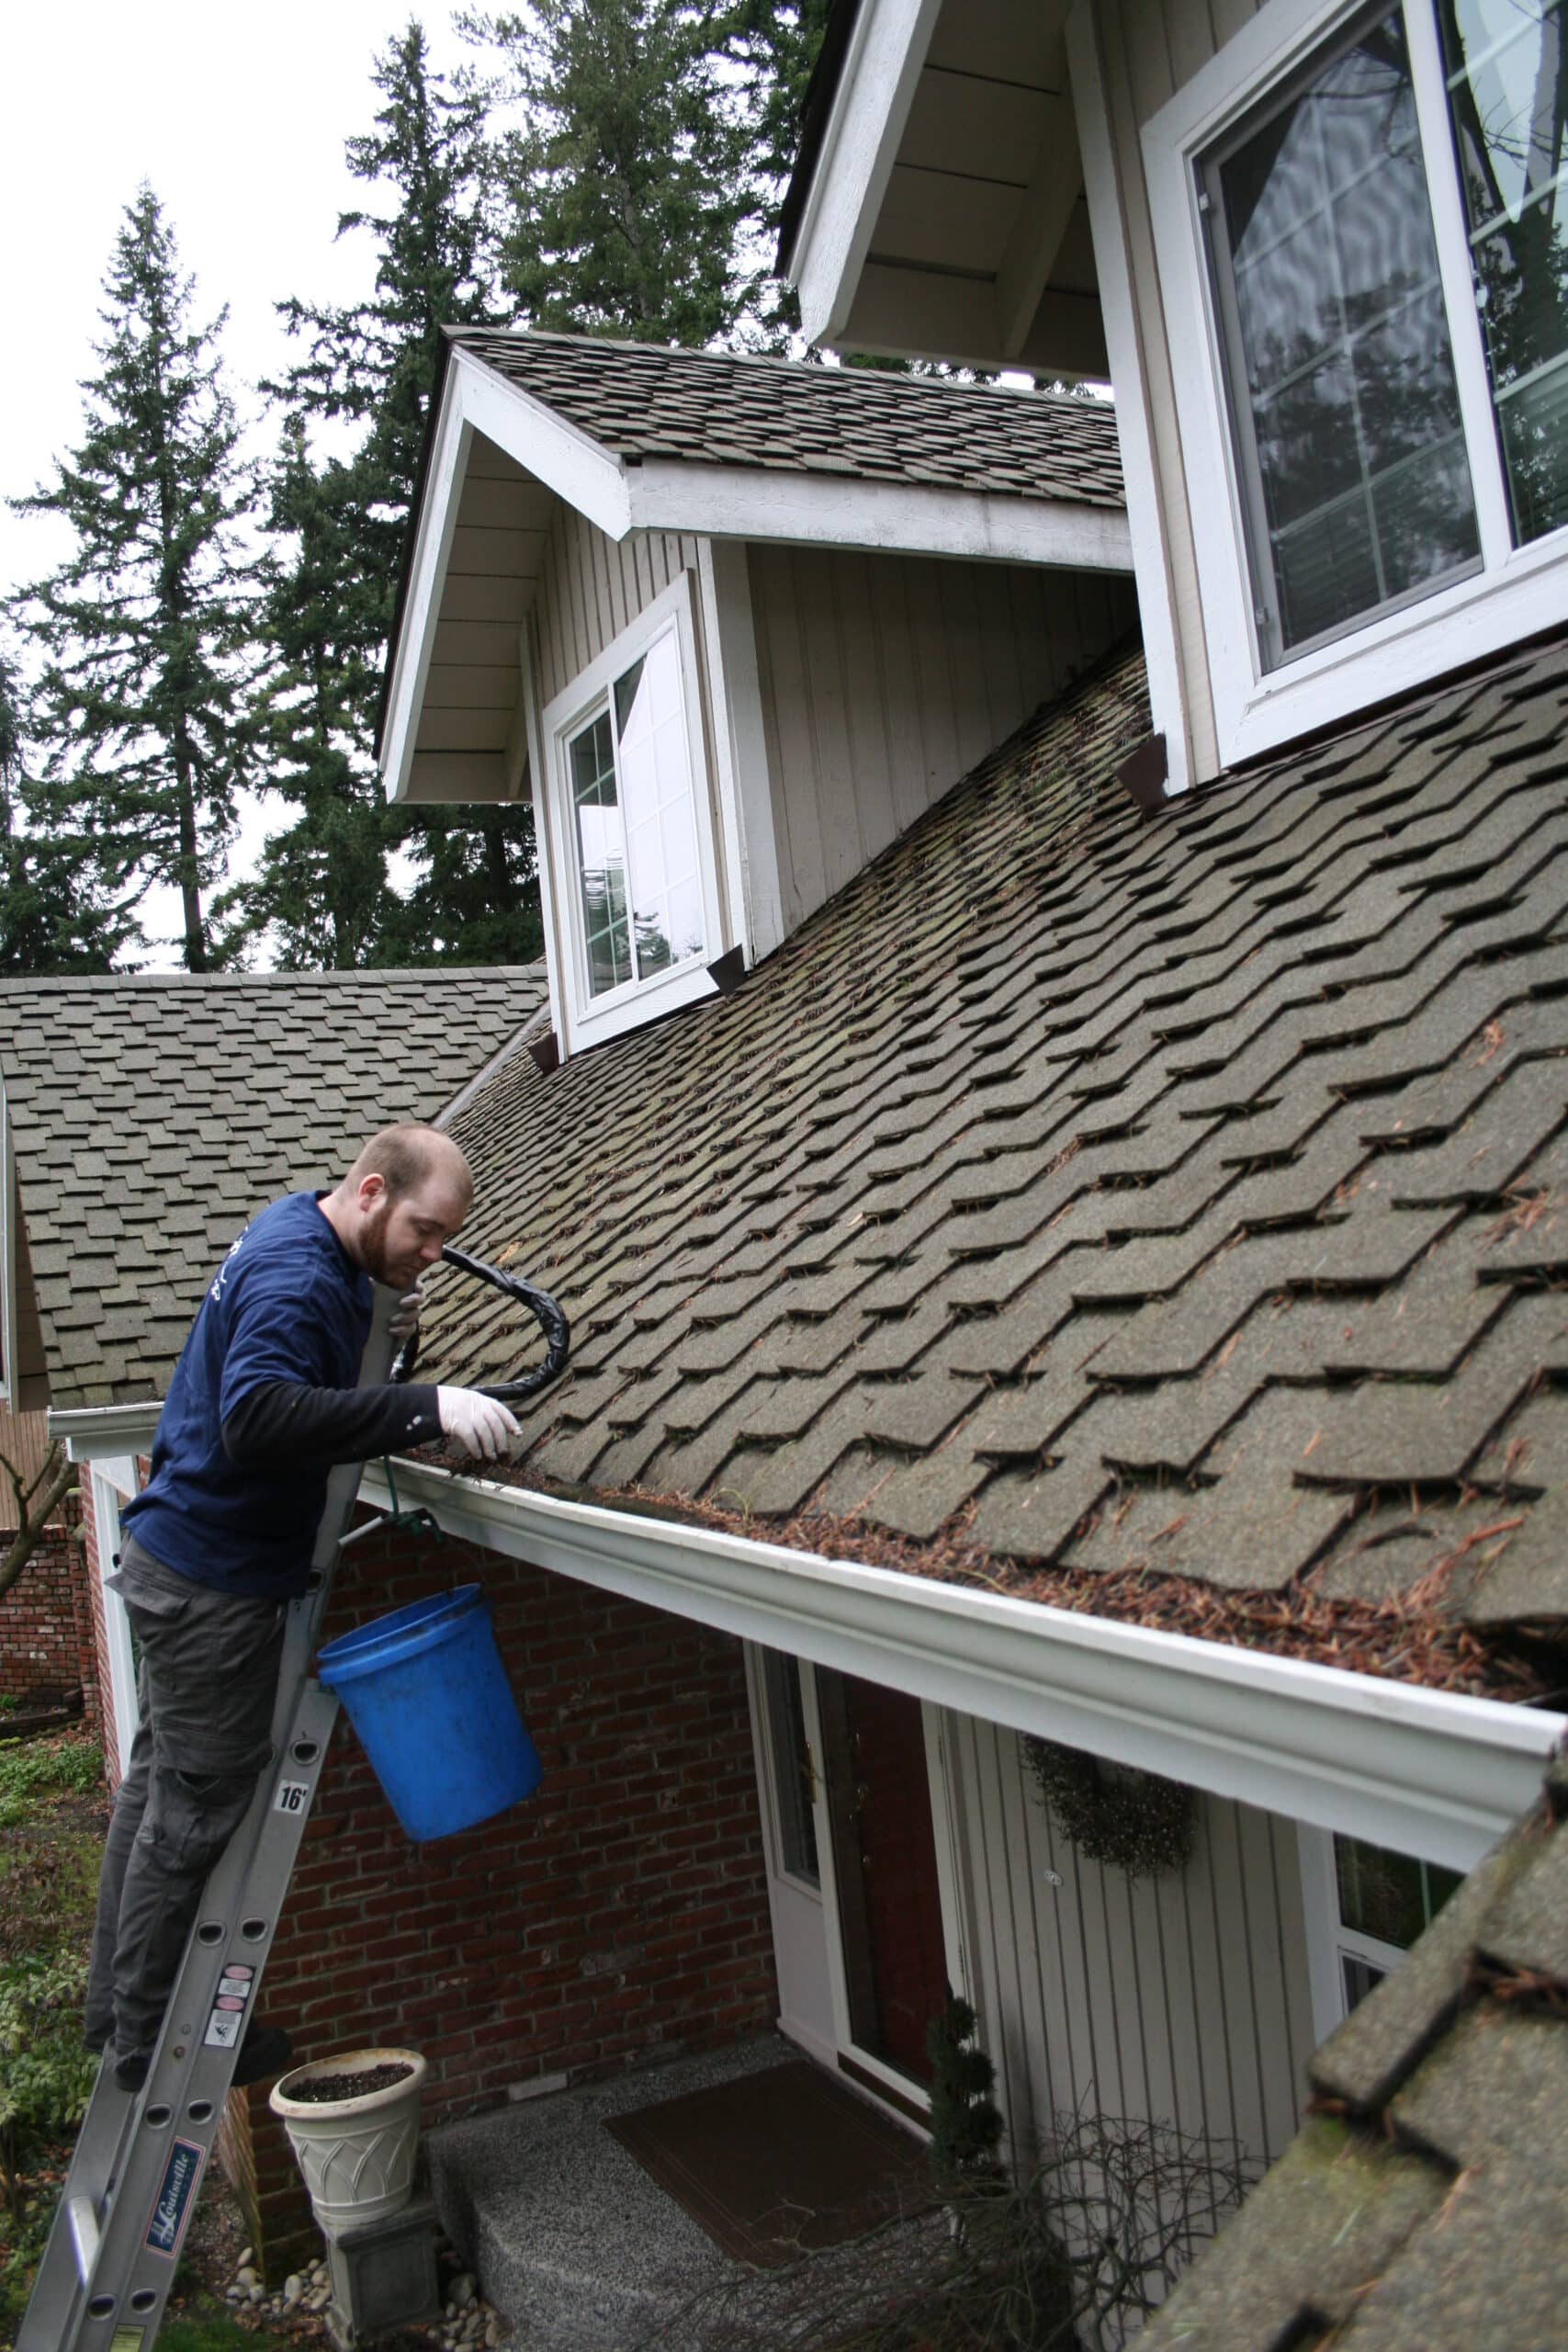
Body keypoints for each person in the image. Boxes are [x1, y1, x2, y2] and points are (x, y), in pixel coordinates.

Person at [85, 1124, 524, 2094]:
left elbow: (306, 1376)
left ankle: (115, 2015)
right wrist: (425, 1406)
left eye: (448, 1236)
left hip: (177, 1556)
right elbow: (257, 1416)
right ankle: (148, 2043)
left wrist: (386, 1336)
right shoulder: (296, 1277)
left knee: (157, 1791)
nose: (433, 1253)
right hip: (212, 1586)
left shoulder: (299, 1231)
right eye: (424, 1229)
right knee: (194, 1816)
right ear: (370, 1191)